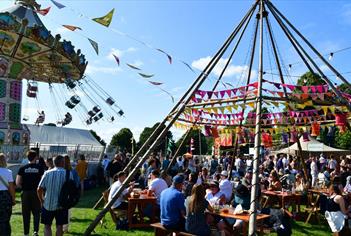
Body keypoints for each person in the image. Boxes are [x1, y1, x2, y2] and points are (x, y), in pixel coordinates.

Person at [37, 155, 73, 236]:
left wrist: (42, 201)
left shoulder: (47, 173)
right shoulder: (68, 174)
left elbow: (39, 189)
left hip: (48, 204)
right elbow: (72, 190)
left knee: (47, 226)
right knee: (59, 226)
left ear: (54, 163)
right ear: (63, 163)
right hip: (62, 205)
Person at [16, 150, 44, 236]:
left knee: (26, 214)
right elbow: (43, 182)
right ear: (35, 157)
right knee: (36, 213)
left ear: (27, 157)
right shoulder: (40, 168)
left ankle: (26, 233)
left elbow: (17, 183)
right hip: (36, 193)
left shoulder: (22, 168)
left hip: (25, 193)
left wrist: (24, 187)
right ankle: (35, 232)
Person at [62, 156, 80, 233]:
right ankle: (65, 228)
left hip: (62, 193)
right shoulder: (73, 171)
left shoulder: (59, 171)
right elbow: (77, 184)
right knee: (67, 211)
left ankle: (61, 227)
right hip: (69, 194)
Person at [0, 153, 16, 236]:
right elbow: (11, 188)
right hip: (5, 196)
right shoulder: (8, 172)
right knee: (5, 219)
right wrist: (13, 199)